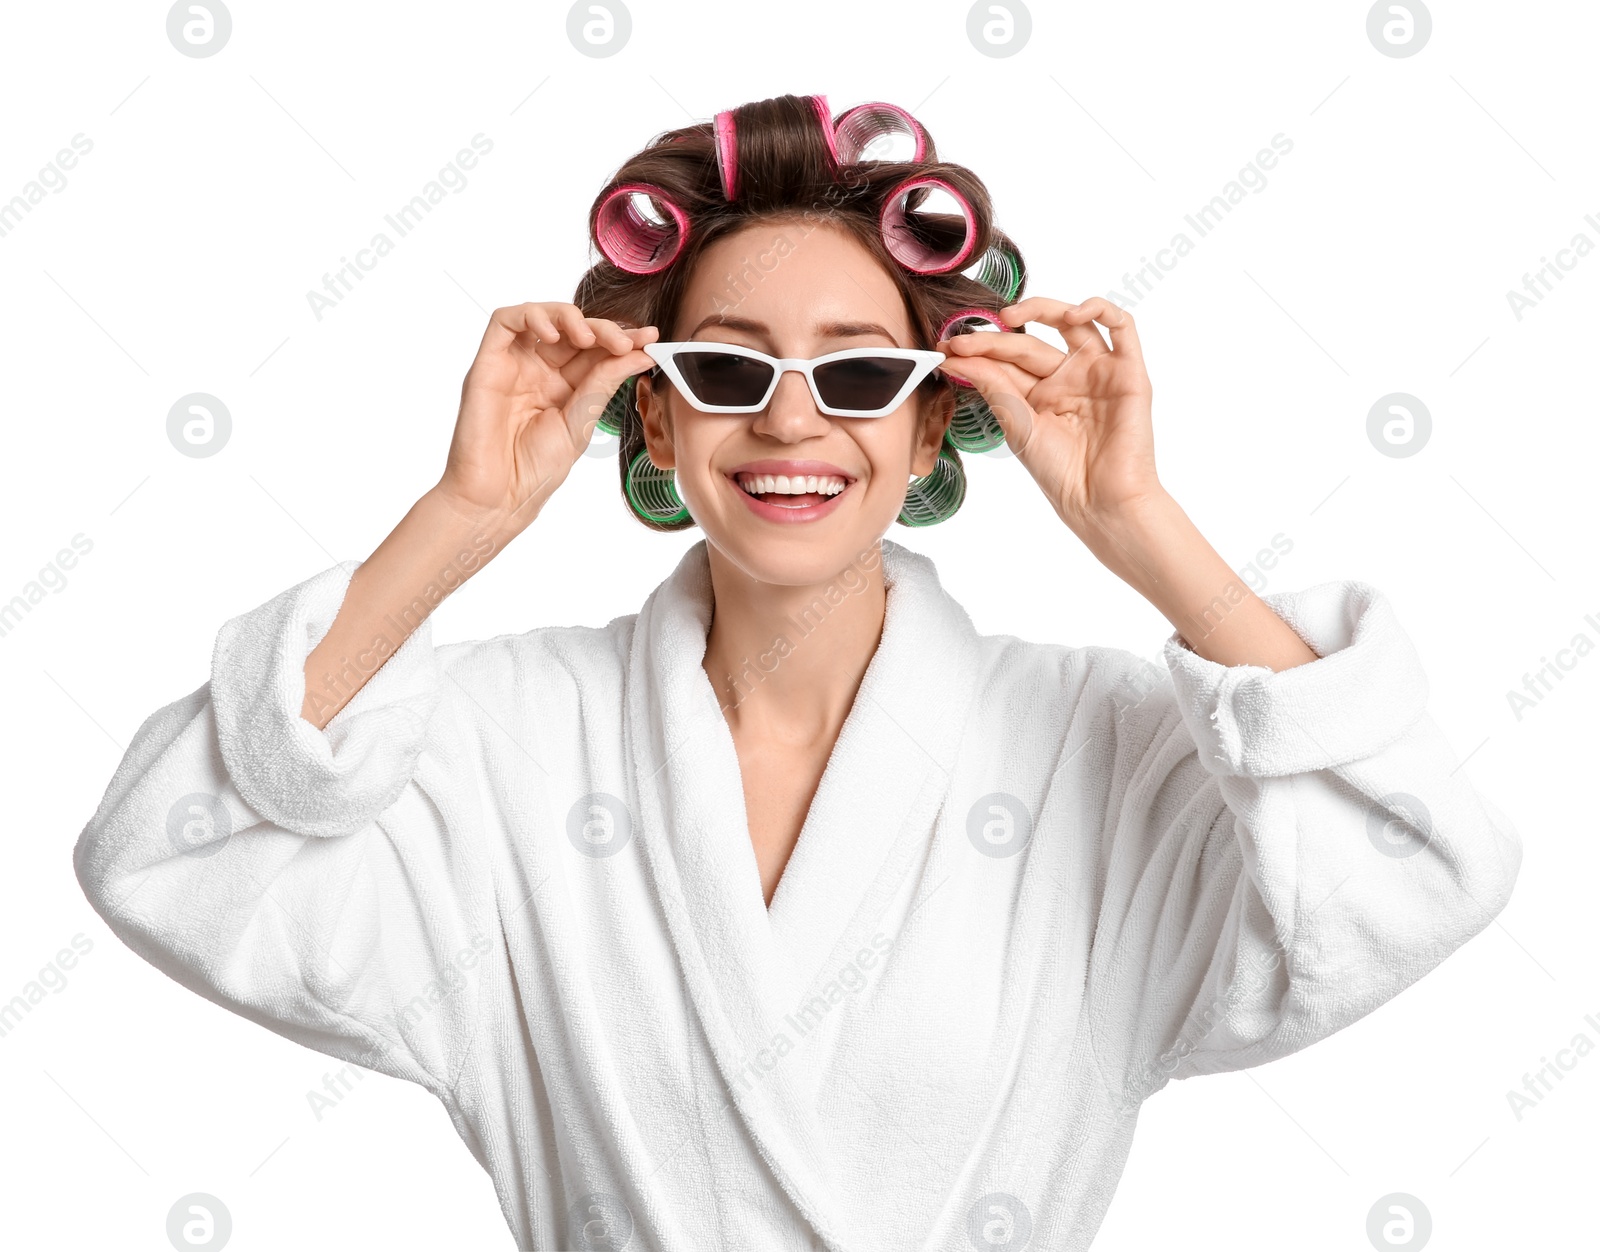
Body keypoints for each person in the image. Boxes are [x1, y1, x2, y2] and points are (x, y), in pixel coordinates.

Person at [73, 93, 1521, 1251]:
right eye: (722, 367)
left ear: (930, 415)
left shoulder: (1102, 747)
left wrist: (1143, 531)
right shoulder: (502, 747)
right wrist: (457, 524)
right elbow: (170, 857)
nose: (787, 420)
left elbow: (1410, 877)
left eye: (856, 372)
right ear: (651, 414)